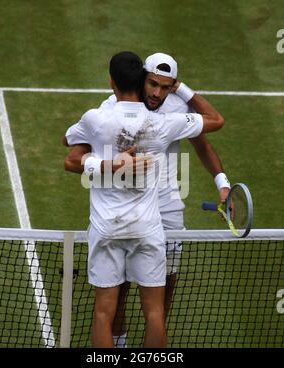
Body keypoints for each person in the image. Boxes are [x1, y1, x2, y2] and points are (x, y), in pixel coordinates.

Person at [63, 52, 230, 347]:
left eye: (166, 87)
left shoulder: (101, 117)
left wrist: (222, 183)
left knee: (138, 297)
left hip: (137, 217)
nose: (157, 92)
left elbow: (70, 150)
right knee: (140, 300)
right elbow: (216, 120)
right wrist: (112, 163)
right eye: (153, 84)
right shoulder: (148, 121)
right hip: (146, 222)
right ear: (142, 79)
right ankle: (122, 341)